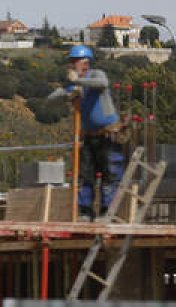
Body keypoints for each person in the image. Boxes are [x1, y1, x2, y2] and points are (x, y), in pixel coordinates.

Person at [48, 45, 121, 218]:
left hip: (108, 135)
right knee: (85, 175)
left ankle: (106, 212)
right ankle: (86, 212)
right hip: (89, 137)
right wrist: (68, 93)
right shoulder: (74, 86)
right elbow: (51, 99)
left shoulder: (96, 75)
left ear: (86, 62)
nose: (72, 66)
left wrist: (78, 82)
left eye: (75, 62)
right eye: (71, 63)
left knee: (108, 175)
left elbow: (103, 83)